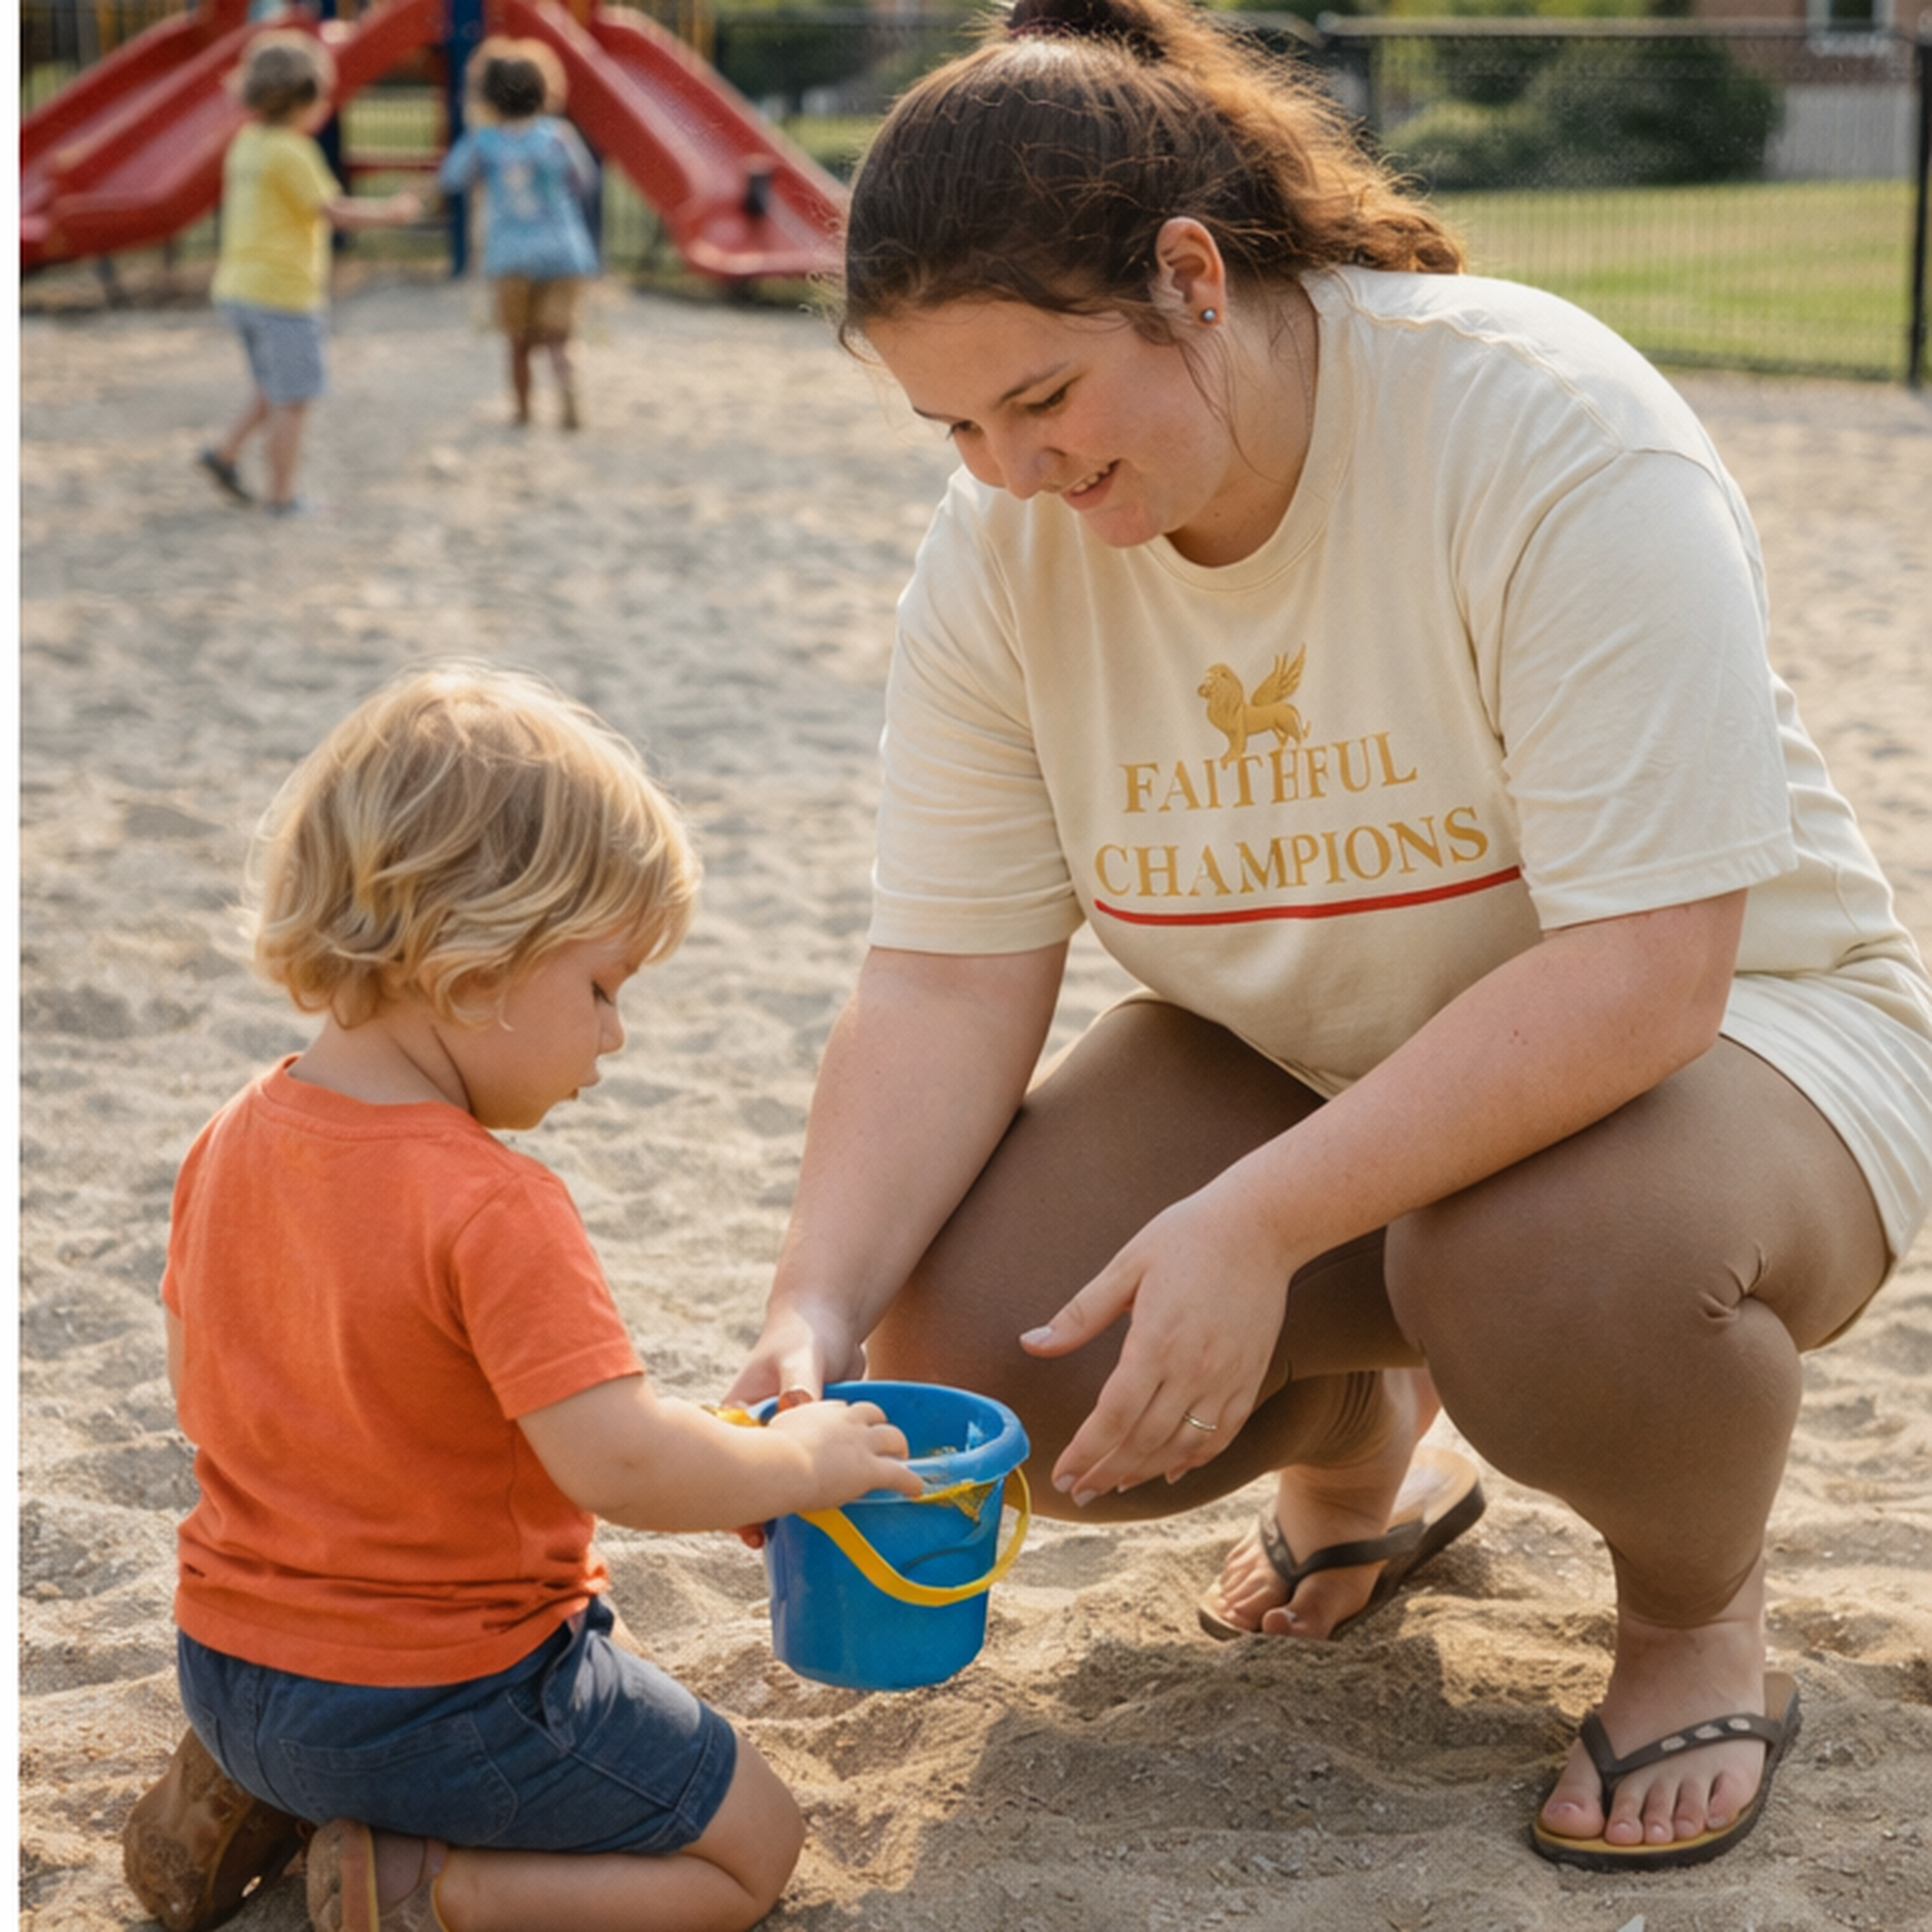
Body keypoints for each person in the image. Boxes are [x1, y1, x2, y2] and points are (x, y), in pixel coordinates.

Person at [726, 0, 1932, 1875]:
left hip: (1735, 1056)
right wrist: (803, 1316)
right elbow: (944, 980)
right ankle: (1356, 1440)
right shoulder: (998, 555)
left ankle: (1697, 1612)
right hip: (1312, 1068)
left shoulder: (1541, 425)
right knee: (957, 1348)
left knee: (1547, 1262)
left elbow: (1644, 972)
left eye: (1039, 402)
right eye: (950, 424)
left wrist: (1263, 1218)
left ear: (1191, 277)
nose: (1004, 475)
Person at [123, 665, 921, 1932]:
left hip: (227, 1667)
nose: (614, 1037)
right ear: (476, 962)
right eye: (602, 987)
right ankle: (424, 1883)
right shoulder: (494, 1204)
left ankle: (252, 1786)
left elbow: (203, 1390)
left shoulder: (230, 1138)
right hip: (436, 1702)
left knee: (323, 1706)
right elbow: (622, 1467)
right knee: (754, 1853)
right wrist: (798, 1464)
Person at [198, 31, 421, 514]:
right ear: (306, 97)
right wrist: (391, 213)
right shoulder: (291, 151)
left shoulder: (248, 142)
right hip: (282, 295)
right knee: (293, 399)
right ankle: (282, 496)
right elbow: (332, 210)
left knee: (270, 385)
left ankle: (224, 453)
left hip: (238, 289)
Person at [439, 41, 600, 430]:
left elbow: (451, 177)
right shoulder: (558, 136)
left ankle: (523, 410)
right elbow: (585, 180)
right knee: (560, 338)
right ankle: (569, 391)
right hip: (565, 251)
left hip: (510, 254)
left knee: (517, 342)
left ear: (490, 96)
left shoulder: (485, 141)